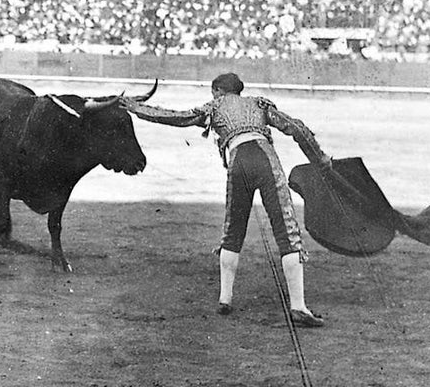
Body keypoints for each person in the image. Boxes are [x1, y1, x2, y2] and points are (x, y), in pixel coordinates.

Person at [120, 72, 331, 328]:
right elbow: (296, 127)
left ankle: (225, 298)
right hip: (265, 159)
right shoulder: (259, 103)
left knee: (233, 228)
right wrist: (319, 159)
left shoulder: (214, 106)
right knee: (286, 230)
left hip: (237, 162)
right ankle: (298, 306)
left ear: (218, 91)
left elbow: (176, 117)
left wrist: (134, 107)